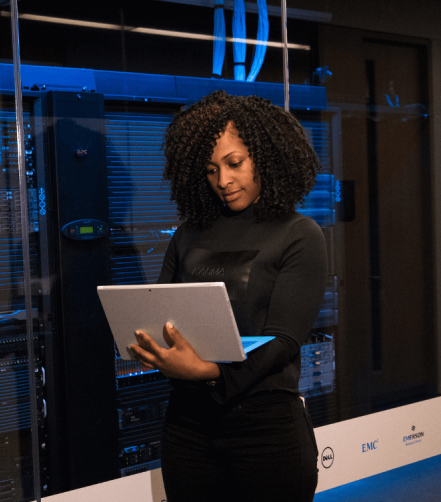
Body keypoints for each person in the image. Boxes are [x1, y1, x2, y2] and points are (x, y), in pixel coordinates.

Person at [127, 90, 327, 502]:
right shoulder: (187, 236)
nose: (223, 181)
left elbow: (283, 341)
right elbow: (160, 314)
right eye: (211, 169)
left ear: (266, 157)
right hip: (188, 430)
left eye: (235, 164)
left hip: (267, 432)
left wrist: (208, 371)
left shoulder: (299, 234)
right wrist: (152, 346)